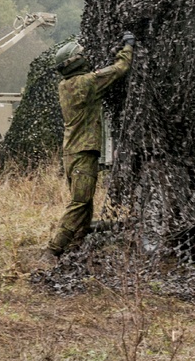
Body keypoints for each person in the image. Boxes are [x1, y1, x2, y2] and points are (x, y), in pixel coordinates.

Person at [47, 32, 135, 257]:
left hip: (71, 152)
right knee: (79, 202)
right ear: (75, 62)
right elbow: (119, 69)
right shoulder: (86, 83)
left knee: (84, 206)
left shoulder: (65, 85)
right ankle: (53, 249)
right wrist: (127, 47)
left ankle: (76, 247)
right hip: (84, 152)